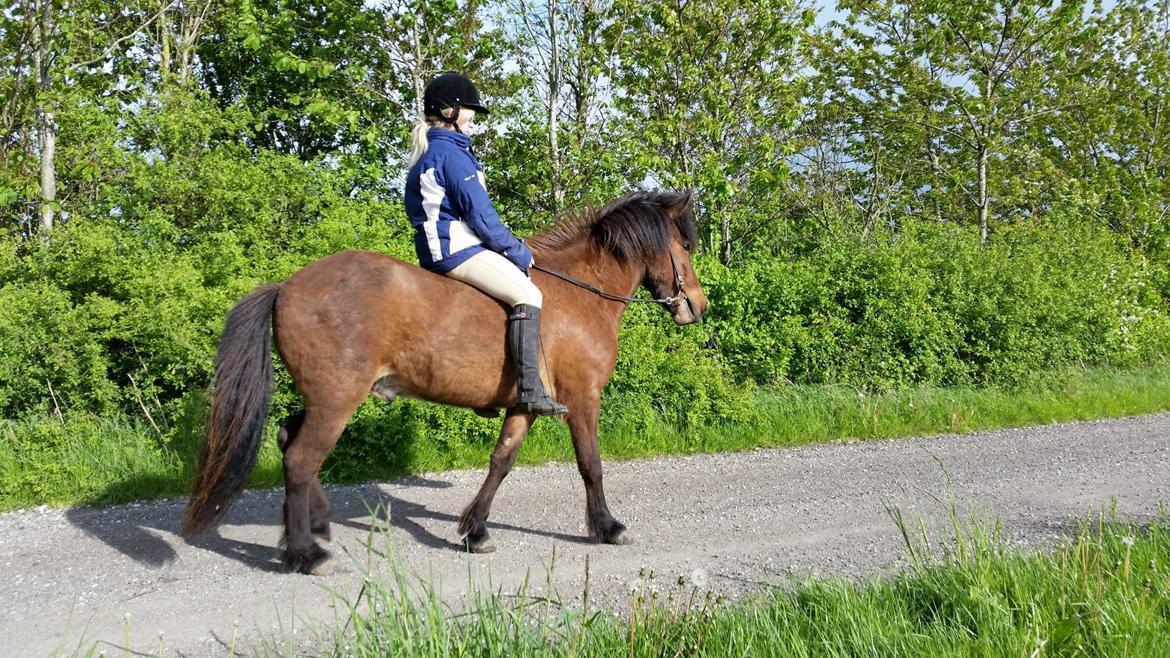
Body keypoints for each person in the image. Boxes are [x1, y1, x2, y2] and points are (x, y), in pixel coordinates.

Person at [403, 72, 568, 416]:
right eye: (469, 112)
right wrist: (518, 252)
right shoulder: (451, 155)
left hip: (440, 246)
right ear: (449, 112)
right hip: (455, 248)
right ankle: (529, 390)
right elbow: (483, 220)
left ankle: (484, 385)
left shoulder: (430, 152)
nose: (473, 119)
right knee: (528, 294)